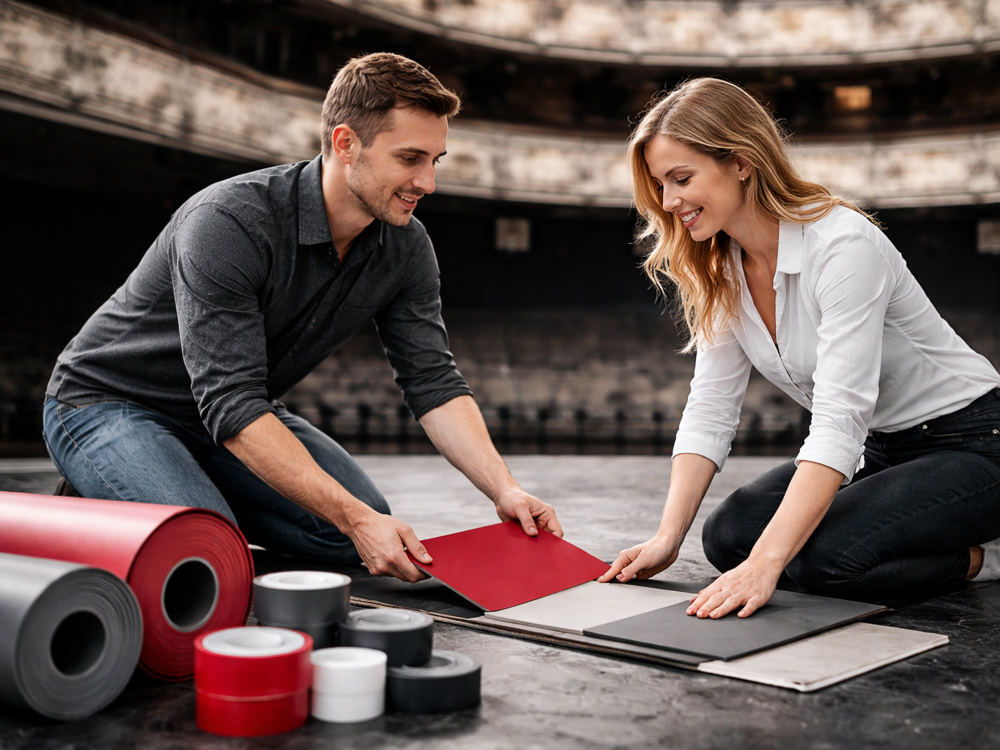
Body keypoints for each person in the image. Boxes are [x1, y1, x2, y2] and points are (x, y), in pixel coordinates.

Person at [42, 52, 561, 582]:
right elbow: (232, 400)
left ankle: (183, 493)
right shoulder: (227, 220)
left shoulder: (407, 247)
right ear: (345, 143)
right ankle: (134, 493)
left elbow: (433, 381)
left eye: (436, 159)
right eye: (410, 158)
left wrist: (505, 488)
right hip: (107, 403)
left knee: (354, 534)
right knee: (205, 554)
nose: (427, 181)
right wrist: (353, 518)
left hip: (226, 419)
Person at [598, 78, 1000, 618]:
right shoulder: (721, 267)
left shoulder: (843, 245)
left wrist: (768, 565)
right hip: (879, 448)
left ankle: (984, 558)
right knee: (730, 537)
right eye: (660, 185)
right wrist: (668, 537)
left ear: (742, 162)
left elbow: (838, 421)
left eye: (682, 178)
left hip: (973, 441)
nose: (670, 203)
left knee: (827, 561)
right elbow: (711, 408)